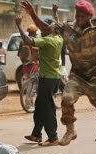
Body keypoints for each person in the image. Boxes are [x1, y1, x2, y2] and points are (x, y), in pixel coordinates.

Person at [19, 0, 96, 154]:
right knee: (66, 98)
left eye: (82, 15)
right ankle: (70, 130)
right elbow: (45, 28)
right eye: (77, 14)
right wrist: (32, 14)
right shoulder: (68, 29)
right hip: (77, 76)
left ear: (89, 16)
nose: (78, 17)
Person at [15, 14, 63, 146]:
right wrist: (55, 14)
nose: (40, 28)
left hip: (47, 79)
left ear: (49, 28)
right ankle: (36, 134)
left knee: (47, 108)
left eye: (43, 26)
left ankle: (53, 137)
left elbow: (29, 41)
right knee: (40, 106)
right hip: (53, 77)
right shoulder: (57, 37)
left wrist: (19, 25)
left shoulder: (48, 40)